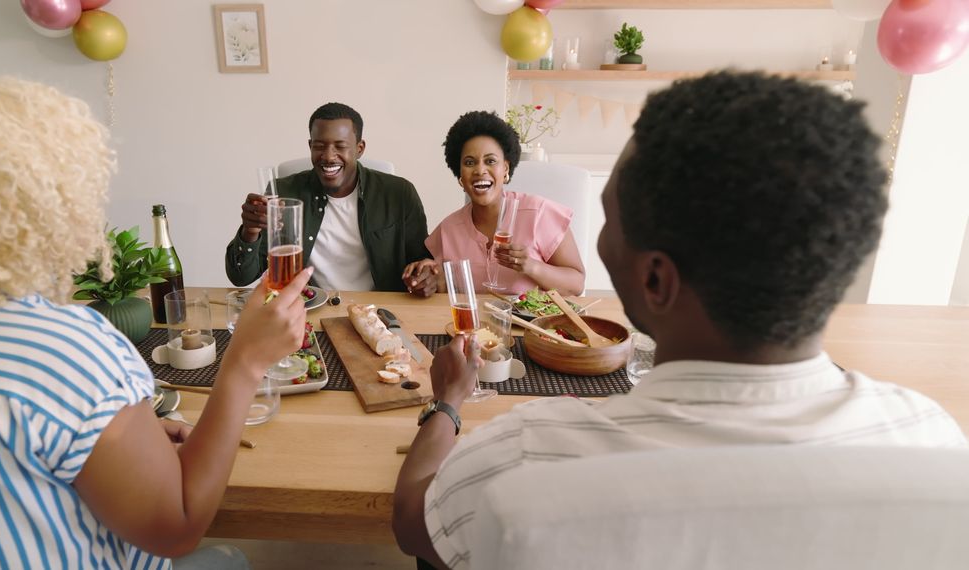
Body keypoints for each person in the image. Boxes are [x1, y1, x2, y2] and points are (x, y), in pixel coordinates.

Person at [391, 71, 968, 569]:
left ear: (655, 280)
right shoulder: (933, 438)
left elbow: (415, 522)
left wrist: (447, 404)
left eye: (611, 221)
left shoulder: (530, 454)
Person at [0, 71, 312, 569]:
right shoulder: (66, 350)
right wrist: (243, 362)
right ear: (47, 202)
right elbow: (176, 528)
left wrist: (121, 441)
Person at [225, 102, 431, 292]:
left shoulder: (399, 194)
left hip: (380, 311)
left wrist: (426, 276)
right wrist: (250, 232)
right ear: (310, 146)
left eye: (340, 146)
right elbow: (241, 277)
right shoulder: (283, 194)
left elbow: (421, 263)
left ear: (359, 149)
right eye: (319, 146)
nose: (328, 156)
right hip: (308, 309)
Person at [402, 110, 585, 297]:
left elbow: (577, 284)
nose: (480, 170)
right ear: (460, 176)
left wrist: (531, 266)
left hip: (531, 316)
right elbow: (441, 284)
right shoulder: (448, 229)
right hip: (473, 317)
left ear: (505, 169)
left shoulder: (539, 213)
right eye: (469, 163)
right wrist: (426, 278)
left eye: (490, 161)